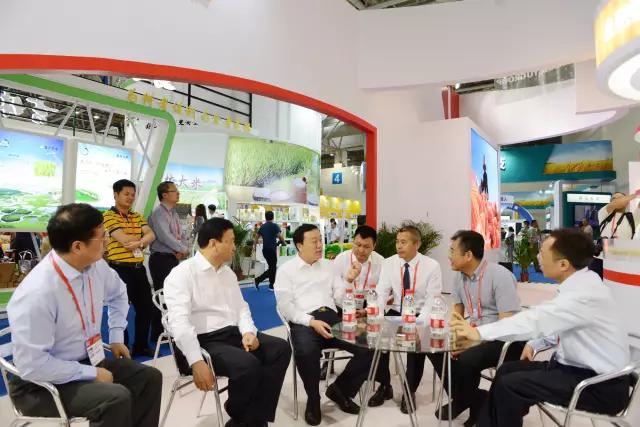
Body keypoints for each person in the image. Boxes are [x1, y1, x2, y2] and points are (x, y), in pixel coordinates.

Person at [451, 229, 631, 427]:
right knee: (506, 371)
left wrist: (479, 332)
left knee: (510, 385)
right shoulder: (582, 284)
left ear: (563, 264)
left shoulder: (583, 295)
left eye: (543, 254)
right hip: (574, 370)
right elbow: (559, 322)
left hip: (599, 386)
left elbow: (536, 319)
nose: (538, 257)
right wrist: (535, 343)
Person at [7, 203, 162, 427]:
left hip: (88, 359)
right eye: (102, 236)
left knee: (149, 378)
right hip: (38, 384)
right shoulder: (38, 292)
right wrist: (90, 373)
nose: (107, 241)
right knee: (114, 398)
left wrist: (116, 335)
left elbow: (119, 293)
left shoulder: (96, 266)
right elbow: (32, 365)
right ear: (78, 246)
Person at [164, 218, 290, 427]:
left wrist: (248, 332)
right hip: (203, 340)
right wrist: (196, 361)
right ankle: (242, 415)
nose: (234, 247)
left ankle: (252, 417)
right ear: (214, 243)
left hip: (232, 334)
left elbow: (241, 308)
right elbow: (179, 323)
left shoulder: (227, 273)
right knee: (247, 365)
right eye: (230, 241)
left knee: (280, 349)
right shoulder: (182, 274)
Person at [274, 224, 373, 426]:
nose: (320, 245)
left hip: (331, 317)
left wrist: (349, 280)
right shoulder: (286, 271)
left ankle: (340, 390)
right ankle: (313, 399)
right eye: (314, 241)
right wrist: (311, 322)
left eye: (320, 240)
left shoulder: (329, 266)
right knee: (306, 351)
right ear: (299, 245)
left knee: (369, 345)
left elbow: (340, 299)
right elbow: (286, 307)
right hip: (303, 321)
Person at [427, 230, 524, 426]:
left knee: (466, 358)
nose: (449, 256)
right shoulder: (458, 277)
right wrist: (456, 338)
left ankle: (466, 400)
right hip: (475, 333)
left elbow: (506, 324)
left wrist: (474, 340)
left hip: (505, 339)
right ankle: (473, 399)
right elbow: (457, 313)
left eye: (452, 250)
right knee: (435, 347)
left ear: (468, 255)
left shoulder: (500, 276)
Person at [376, 225, 443, 413]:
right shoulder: (389, 263)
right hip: (397, 310)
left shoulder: (431, 266)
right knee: (378, 340)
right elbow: (381, 292)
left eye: (404, 242)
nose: (399, 246)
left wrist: (419, 324)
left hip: (420, 313)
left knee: (416, 344)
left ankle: (409, 390)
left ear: (417, 244)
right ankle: (384, 386)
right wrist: (378, 316)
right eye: (397, 242)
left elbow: (432, 299)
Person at [331, 224, 389, 406]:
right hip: (343, 304)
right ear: (353, 242)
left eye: (366, 246)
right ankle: (329, 364)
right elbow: (334, 293)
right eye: (357, 245)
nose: (361, 250)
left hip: (369, 305)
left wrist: (368, 310)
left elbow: (384, 293)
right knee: (338, 330)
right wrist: (348, 307)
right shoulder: (340, 260)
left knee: (380, 338)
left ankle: (384, 385)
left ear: (374, 246)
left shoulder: (381, 263)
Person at [103, 179, 156, 357]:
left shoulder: (136, 216)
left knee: (146, 308)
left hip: (138, 268)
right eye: (126, 194)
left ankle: (141, 345)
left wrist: (139, 242)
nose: (130, 197)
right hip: (120, 269)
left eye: (133, 194)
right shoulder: (108, 216)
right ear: (116, 195)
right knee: (121, 309)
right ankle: (123, 346)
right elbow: (124, 240)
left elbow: (151, 234)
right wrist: (142, 240)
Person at [147, 181, 189, 343]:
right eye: (174, 191)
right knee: (162, 295)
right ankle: (157, 332)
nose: (178, 193)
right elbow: (164, 236)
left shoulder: (174, 213)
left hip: (172, 257)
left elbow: (180, 234)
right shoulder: (158, 213)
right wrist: (181, 249)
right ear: (164, 195)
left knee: (172, 294)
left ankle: (169, 328)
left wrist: (182, 249)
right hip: (160, 259)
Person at [591, 191, 640, 278]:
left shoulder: (632, 218)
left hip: (622, 261)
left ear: (627, 202)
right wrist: (635, 195)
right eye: (613, 199)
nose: (616, 200)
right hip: (601, 260)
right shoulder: (604, 213)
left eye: (620, 198)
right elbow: (617, 204)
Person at [254, 210, 285, 291]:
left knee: (272, 267)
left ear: (265, 217)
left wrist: (254, 246)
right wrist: (284, 243)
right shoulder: (274, 226)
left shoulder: (263, 226)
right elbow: (280, 236)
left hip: (265, 250)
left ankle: (269, 284)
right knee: (273, 268)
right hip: (271, 250)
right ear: (273, 217)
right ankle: (265, 283)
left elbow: (256, 237)